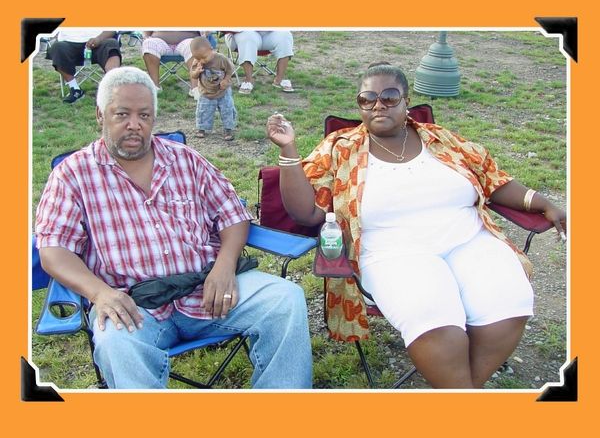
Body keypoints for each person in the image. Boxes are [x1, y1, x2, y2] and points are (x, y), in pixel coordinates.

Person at [266, 62, 567, 389]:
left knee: (508, 301)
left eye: (389, 97)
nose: (378, 106)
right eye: (367, 99)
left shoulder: (441, 139)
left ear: (406, 101)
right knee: (433, 319)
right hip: (393, 254)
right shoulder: (340, 148)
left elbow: (491, 179)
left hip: (470, 240)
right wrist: (288, 150)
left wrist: (543, 203)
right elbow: (306, 213)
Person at [35, 66, 312, 389]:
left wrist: (224, 266)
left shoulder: (185, 160)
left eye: (144, 115)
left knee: (286, 299)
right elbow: (53, 250)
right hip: (134, 304)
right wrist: (100, 293)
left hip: (208, 291)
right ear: (100, 115)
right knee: (114, 342)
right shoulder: (72, 175)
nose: (134, 124)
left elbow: (233, 215)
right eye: (122, 114)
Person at [46, 29, 122, 104]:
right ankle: (75, 89)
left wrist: (98, 39)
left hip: (99, 42)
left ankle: (112, 89)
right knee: (57, 47)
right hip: (68, 44)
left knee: (112, 44)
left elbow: (112, 29)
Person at [141, 30, 215, 99]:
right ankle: (154, 86)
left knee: (196, 44)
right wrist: (145, 35)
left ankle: (196, 88)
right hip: (159, 40)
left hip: (188, 40)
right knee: (148, 44)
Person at [189, 36, 236, 141]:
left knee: (227, 110)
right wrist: (197, 72)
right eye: (198, 58)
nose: (202, 61)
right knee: (203, 110)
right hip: (206, 92)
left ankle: (228, 129)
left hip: (223, 91)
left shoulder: (221, 59)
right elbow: (193, 75)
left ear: (211, 49)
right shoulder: (197, 61)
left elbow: (230, 70)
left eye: (204, 57)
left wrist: (226, 80)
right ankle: (202, 128)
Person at [224, 31, 295, 95]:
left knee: (285, 35)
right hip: (242, 32)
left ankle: (279, 80)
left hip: (269, 32)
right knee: (248, 37)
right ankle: (248, 81)